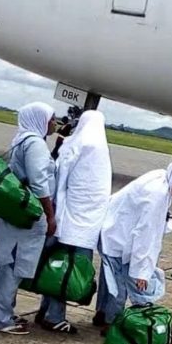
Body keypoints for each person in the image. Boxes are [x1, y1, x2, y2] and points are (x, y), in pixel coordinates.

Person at [96, 161, 172, 330]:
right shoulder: (157, 195)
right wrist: (141, 272)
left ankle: (101, 314)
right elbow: (144, 236)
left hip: (112, 230)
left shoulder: (160, 177)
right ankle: (111, 324)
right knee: (119, 288)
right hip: (118, 238)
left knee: (109, 280)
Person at [0, 103, 58, 335]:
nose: (54, 123)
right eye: (51, 119)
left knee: (8, 260)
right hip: (28, 212)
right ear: (40, 119)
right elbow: (39, 182)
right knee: (14, 265)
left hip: (14, 210)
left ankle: (3, 312)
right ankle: (2, 320)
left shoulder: (22, 139)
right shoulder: (35, 143)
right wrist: (50, 215)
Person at [52, 111, 112, 331]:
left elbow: (60, 175)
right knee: (72, 274)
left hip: (68, 219)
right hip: (87, 226)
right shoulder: (100, 148)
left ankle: (49, 311)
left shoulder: (76, 144)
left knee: (58, 269)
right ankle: (54, 316)